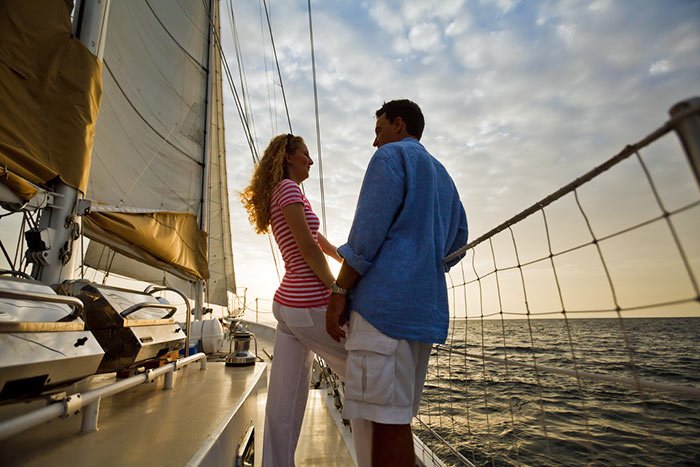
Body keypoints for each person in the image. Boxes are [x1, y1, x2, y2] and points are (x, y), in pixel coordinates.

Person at [326, 99, 468, 466]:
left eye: (379, 131)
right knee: (396, 418)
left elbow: (365, 238)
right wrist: (420, 269)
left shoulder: (390, 158)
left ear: (399, 125)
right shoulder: (443, 175)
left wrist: (339, 292)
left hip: (383, 313)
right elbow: (458, 244)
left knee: (385, 422)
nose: (375, 142)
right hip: (422, 314)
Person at [241, 134, 370, 467]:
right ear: (288, 157)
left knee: (285, 398)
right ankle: (374, 458)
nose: (311, 161)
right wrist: (336, 289)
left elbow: (317, 240)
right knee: (364, 374)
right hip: (306, 304)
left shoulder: (285, 192)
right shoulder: (288, 189)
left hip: (288, 306)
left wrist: (346, 259)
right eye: (305, 155)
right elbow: (306, 247)